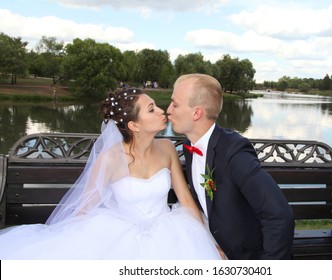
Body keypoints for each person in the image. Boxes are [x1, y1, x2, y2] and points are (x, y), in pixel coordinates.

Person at [0, 87, 221, 260]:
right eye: (152, 109)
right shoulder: (110, 159)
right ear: (135, 125)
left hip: (171, 231)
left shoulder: (167, 148)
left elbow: (185, 199)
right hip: (121, 235)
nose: (163, 111)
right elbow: (85, 205)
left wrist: (209, 242)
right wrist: (65, 239)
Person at [167, 73, 295, 260]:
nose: (168, 110)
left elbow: (279, 215)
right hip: (215, 247)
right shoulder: (191, 147)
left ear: (196, 113)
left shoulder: (234, 152)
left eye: (175, 104)